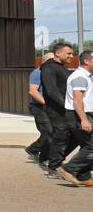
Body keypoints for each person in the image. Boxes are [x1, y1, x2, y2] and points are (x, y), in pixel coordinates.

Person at [57, 50, 93, 186]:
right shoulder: (80, 77)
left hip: (82, 115)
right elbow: (78, 100)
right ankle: (68, 169)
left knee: (86, 145)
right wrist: (84, 120)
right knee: (91, 146)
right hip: (78, 115)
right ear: (87, 61)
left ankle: (83, 176)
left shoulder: (87, 76)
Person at [44, 43, 78, 177]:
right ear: (58, 53)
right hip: (56, 110)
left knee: (76, 136)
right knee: (61, 137)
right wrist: (66, 105)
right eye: (68, 53)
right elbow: (51, 90)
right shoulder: (49, 68)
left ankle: (56, 162)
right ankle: (54, 167)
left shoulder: (61, 67)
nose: (71, 56)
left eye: (72, 53)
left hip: (66, 109)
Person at [27, 52, 56, 164]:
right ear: (45, 61)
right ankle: (40, 153)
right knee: (49, 132)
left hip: (50, 107)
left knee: (52, 132)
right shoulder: (37, 73)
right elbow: (33, 91)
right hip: (38, 106)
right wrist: (46, 103)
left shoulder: (52, 73)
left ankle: (33, 149)